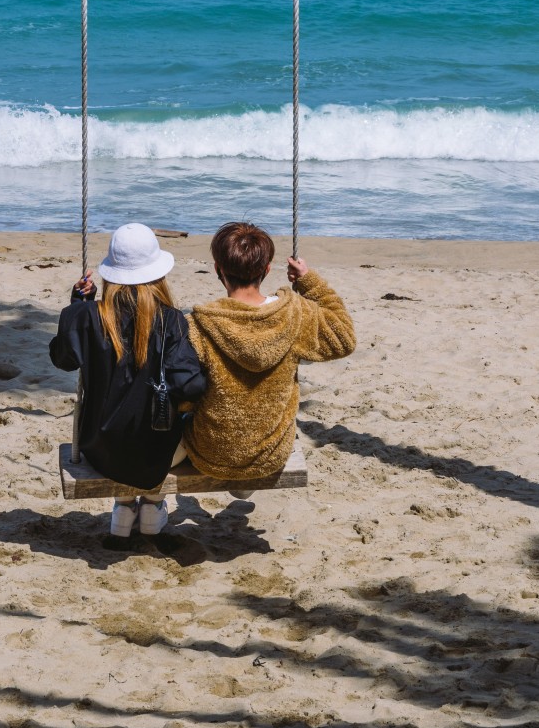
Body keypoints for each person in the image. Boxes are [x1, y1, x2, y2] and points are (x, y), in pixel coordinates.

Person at [49, 222, 206, 548]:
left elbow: (63, 358)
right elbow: (189, 387)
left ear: (112, 273)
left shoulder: (87, 317)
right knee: (179, 428)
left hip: (99, 451)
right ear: (157, 274)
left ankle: (122, 512)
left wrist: (78, 306)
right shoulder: (172, 321)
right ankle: (151, 510)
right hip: (156, 458)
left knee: (125, 436)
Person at [184, 220, 354, 481]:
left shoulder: (198, 324)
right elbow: (344, 337)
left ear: (218, 268)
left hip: (212, 455)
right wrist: (309, 281)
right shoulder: (294, 314)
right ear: (266, 269)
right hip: (270, 456)